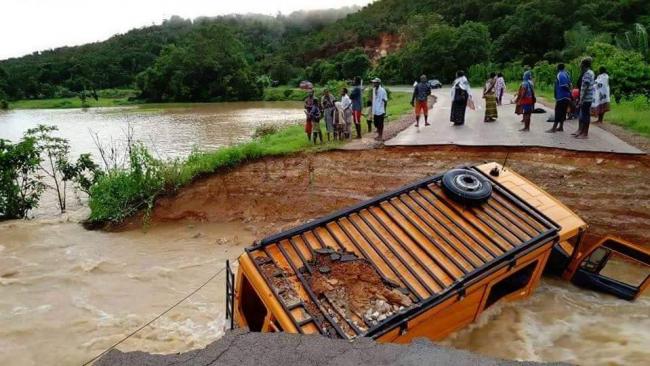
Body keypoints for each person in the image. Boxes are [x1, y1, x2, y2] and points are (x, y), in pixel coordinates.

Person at [547, 63, 572, 133]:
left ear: (558, 68)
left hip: (562, 96)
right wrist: (569, 92)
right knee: (563, 112)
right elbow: (570, 84)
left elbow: (564, 85)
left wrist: (568, 90)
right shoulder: (567, 74)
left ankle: (553, 128)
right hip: (566, 96)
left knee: (558, 112)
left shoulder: (560, 74)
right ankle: (561, 127)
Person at [574, 57, 595, 139]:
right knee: (583, 115)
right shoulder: (590, 72)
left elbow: (585, 88)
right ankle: (582, 132)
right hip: (588, 98)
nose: (580, 65)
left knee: (585, 116)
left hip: (586, 98)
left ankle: (585, 134)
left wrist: (581, 99)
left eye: (581, 64)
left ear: (584, 65)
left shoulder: (587, 74)